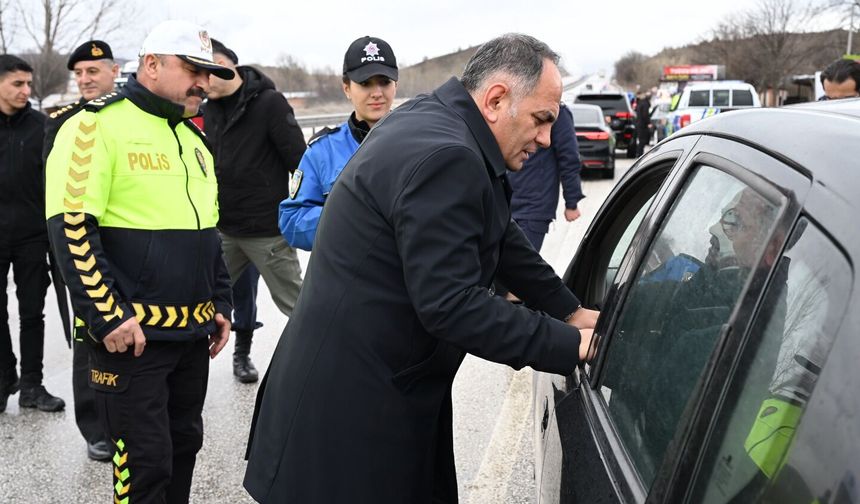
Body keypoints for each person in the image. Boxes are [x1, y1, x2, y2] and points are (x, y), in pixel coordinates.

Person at [244, 33, 599, 503]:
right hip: (352, 420)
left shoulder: (439, 122)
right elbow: (451, 305)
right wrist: (568, 342)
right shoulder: (448, 155)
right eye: (541, 119)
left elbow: (499, 234)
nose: (547, 139)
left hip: (372, 391)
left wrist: (570, 309)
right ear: (495, 99)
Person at [44, 20, 233, 503]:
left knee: (184, 448)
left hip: (191, 335)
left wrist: (220, 300)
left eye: (208, 72)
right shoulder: (92, 126)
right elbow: (71, 228)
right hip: (133, 340)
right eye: (192, 68)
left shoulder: (194, 139)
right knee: (145, 467)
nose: (203, 82)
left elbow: (207, 231)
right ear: (151, 64)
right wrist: (108, 313)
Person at [205, 38, 305, 383]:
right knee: (200, 298)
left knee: (300, 307)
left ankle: (322, 366)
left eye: (210, 68)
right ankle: (184, 370)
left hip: (268, 231)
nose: (203, 77)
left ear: (229, 64)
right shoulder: (206, 108)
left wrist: (297, 212)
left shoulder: (269, 104)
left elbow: (299, 160)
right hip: (224, 229)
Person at [43, 39, 118, 461]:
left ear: (113, 71)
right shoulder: (61, 121)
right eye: (80, 75)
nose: (86, 80)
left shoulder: (128, 115)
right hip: (80, 243)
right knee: (88, 336)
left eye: (93, 71)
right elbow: (50, 192)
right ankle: (95, 427)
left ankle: (128, 414)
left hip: (125, 242)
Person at [279, 35, 398, 250]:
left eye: (384, 82)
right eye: (365, 83)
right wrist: (351, 218)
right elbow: (292, 222)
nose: (377, 93)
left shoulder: (418, 141)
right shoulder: (322, 151)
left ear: (395, 85)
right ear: (346, 89)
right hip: (349, 276)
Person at [0, 55, 65, 414]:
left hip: (32, 236)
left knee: (31, 313)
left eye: (28, 84)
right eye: (17, 84)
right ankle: (4, 377)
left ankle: (32, 386)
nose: (26, 90)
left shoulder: (42, 127)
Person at [506, 100, 583, 253]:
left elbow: (568, 158)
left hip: (533, 207)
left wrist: (571, 201)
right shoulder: (516, 106)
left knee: (519, 266)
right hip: (505, 203)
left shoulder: (556, 113)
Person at [635, 91, 652, 157]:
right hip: (642, 125)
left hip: (639, 123)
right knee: (642, 140)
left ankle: (639, 153)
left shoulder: (640, 103)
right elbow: (645, 114)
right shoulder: (645, 104)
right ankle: (640, 154)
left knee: (641, 140)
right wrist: (648, 123)